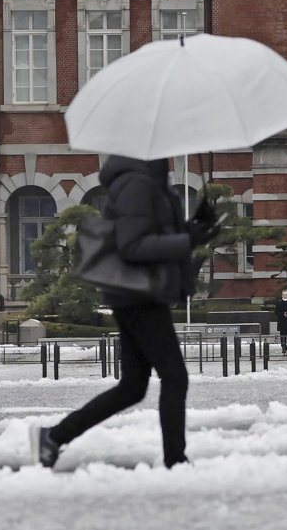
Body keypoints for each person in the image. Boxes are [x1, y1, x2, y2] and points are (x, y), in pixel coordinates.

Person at [38, 156, 217, 470]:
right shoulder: (137, 183)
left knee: (133, 387)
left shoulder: (150, 180)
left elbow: (153, 234)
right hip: (138, 296)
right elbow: (132, 246)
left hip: (140, 294)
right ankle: (175, 461)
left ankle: (54, 436)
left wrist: (192, 229)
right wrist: (187, 239)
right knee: (175, 378)